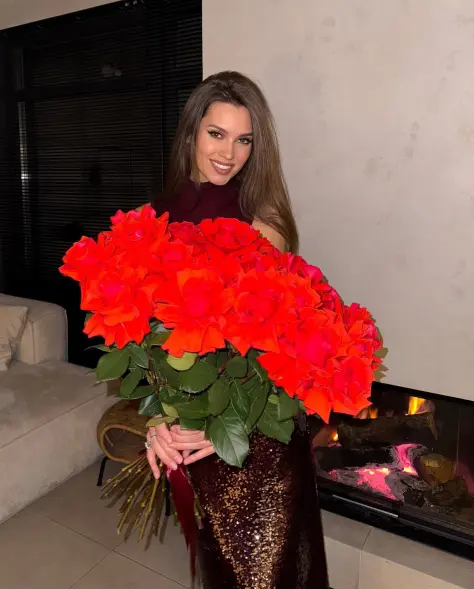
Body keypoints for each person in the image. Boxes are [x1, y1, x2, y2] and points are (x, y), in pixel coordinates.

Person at [145, 71, 329, 589]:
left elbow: (273, 353)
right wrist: (157, 418)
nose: (229, 153)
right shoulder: (155, 219)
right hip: (195, 437)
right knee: (218, 570)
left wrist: (224, 422)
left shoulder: (262, 223)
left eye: (244, 139)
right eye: (216, 134)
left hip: (258, 440)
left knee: (268, 575)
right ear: (191, 133)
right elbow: (148, 344)